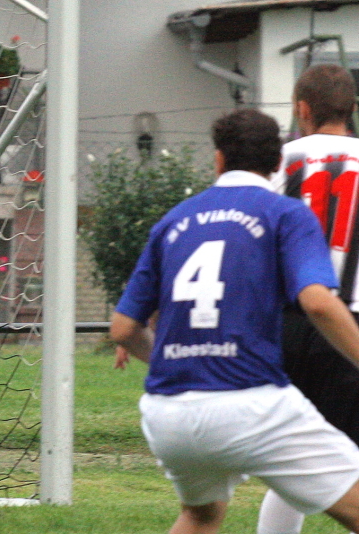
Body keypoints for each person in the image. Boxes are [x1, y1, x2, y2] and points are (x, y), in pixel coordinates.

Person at [110, 107, 359, 534]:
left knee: (201, 516)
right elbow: (318, 303)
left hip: (169, 414)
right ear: (277, 163)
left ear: (219, 159)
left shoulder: (174, 220)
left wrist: (179, 361)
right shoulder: (285, 213)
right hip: (250, 406)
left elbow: (122, 329)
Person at [257, 63, 359, 534]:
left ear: (302, 109)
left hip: (286, 322)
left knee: (293, 459)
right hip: (349, 322)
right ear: (351, 108)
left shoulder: (278, 162)